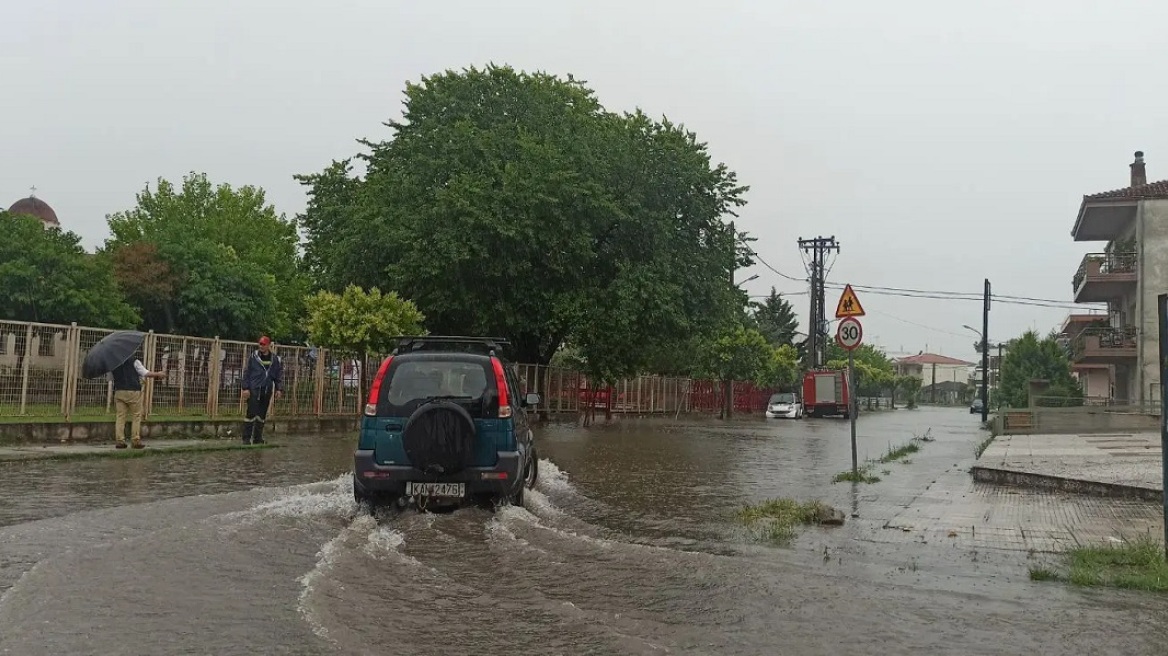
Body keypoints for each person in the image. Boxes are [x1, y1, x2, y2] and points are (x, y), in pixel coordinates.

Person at [110, 355, 165, 449]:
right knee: (136, 415)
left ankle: (120, 441)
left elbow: (110, 378)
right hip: (133, 391)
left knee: (120, 416)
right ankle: (135, 441)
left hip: (119, 391)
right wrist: (158, 374)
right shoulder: (134, 361)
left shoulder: (113, 363)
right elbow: (145, 373)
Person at [241, 336, 284, 445]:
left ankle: (257, 438)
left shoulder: (274, 359)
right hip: (254, 389)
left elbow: (278, 375)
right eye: (260, 344)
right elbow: (246, 373)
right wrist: (245, 388)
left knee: (261, 415)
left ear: (269, 345)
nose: (261, 346)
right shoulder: (253, 357)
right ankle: (246, 439)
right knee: (251, 413)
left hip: (266, 389)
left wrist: (279, 389)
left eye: (264, 344)